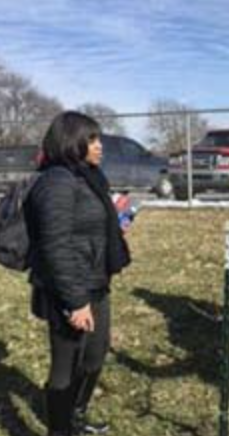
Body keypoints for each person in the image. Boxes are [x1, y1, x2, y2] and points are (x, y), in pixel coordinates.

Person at [24, 111, 131, 436]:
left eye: (99, 139)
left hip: (96, 283)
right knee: (65, 368)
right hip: (66, 290)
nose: (100, 146)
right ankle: (60, 429)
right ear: (72, 141)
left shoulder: (88, 177)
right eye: (92, 139)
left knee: (94, 358)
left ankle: (76, 416)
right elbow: (56, 247)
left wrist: (115, 227)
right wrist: (75, 301)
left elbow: (86, 227)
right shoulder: (57, 181)